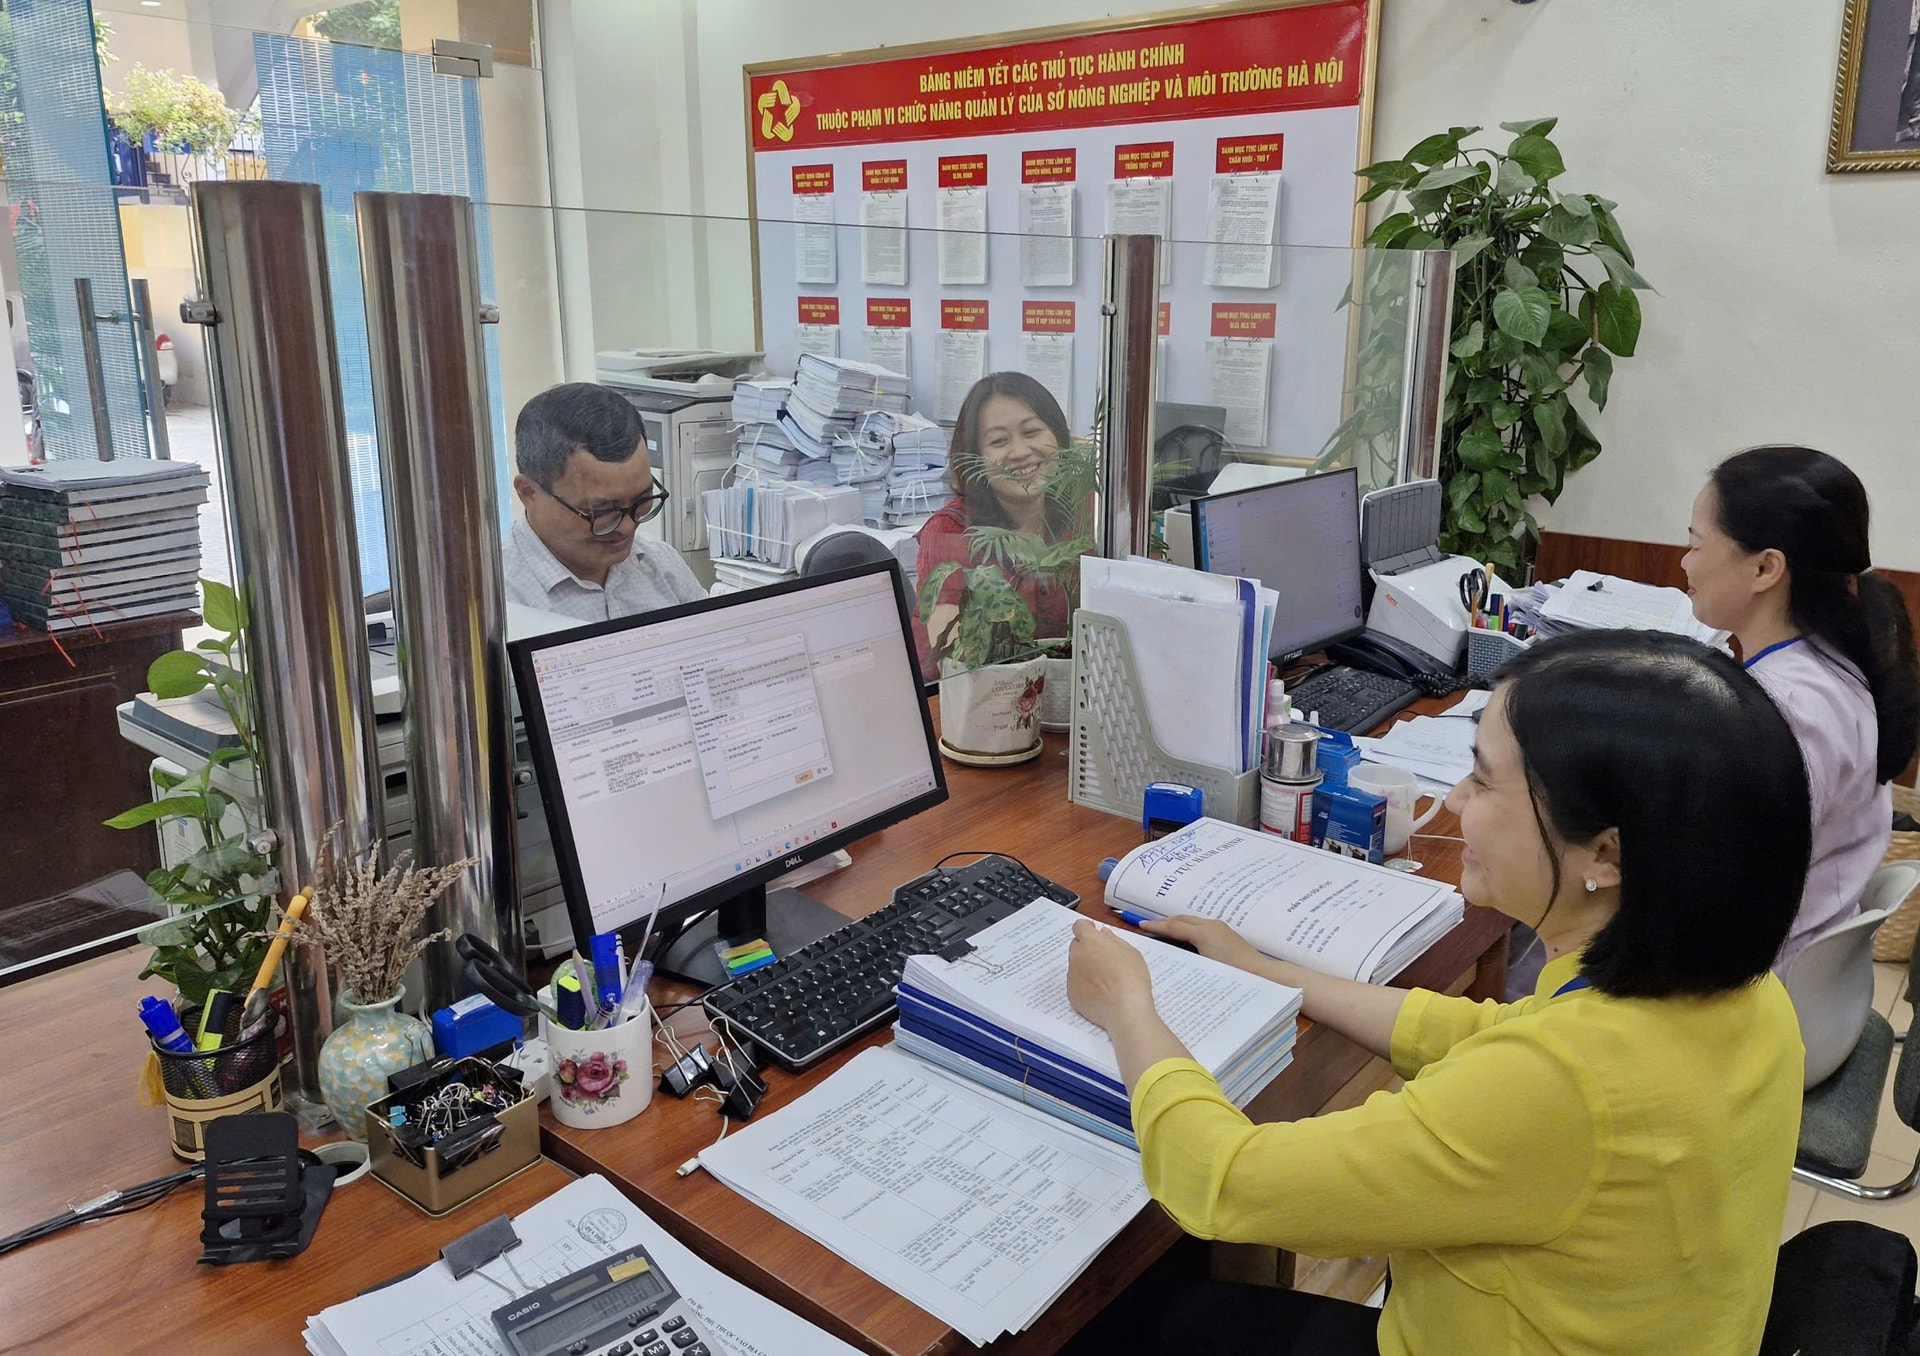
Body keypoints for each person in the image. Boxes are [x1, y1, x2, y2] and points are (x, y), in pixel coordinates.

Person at [1064, 631, 1811, 1355]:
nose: (1453, 800)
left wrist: (1127, 1006)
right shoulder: (1743, 993)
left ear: (1606, 853)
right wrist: (1273, 970)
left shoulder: (1564, 1084)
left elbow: (1224, 1183)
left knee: (1134, 1317)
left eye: (1482, 779)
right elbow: (1498, 1034)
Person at [1683, 445, 1920, 970]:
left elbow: (1718, 884)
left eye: (1695, 544)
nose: (1685, 562)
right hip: (1792, 958)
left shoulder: (1784, 708)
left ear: (1766, 567)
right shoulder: (1838, 667)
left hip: (1753, 980)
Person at [914, 372, 1082, 679]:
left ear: (1058, 435)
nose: (1019, 452)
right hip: (987, 695)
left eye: (1032, 432)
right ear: (973, 458)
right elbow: (960, 663)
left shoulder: (1085, 515)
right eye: (999, 441)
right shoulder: (952, 532)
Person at [503, 382, 706, 622]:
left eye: (642, 499)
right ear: (529, 492)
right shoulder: (498, 604)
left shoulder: (661, 563)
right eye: (602, 510)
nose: (627, 528)